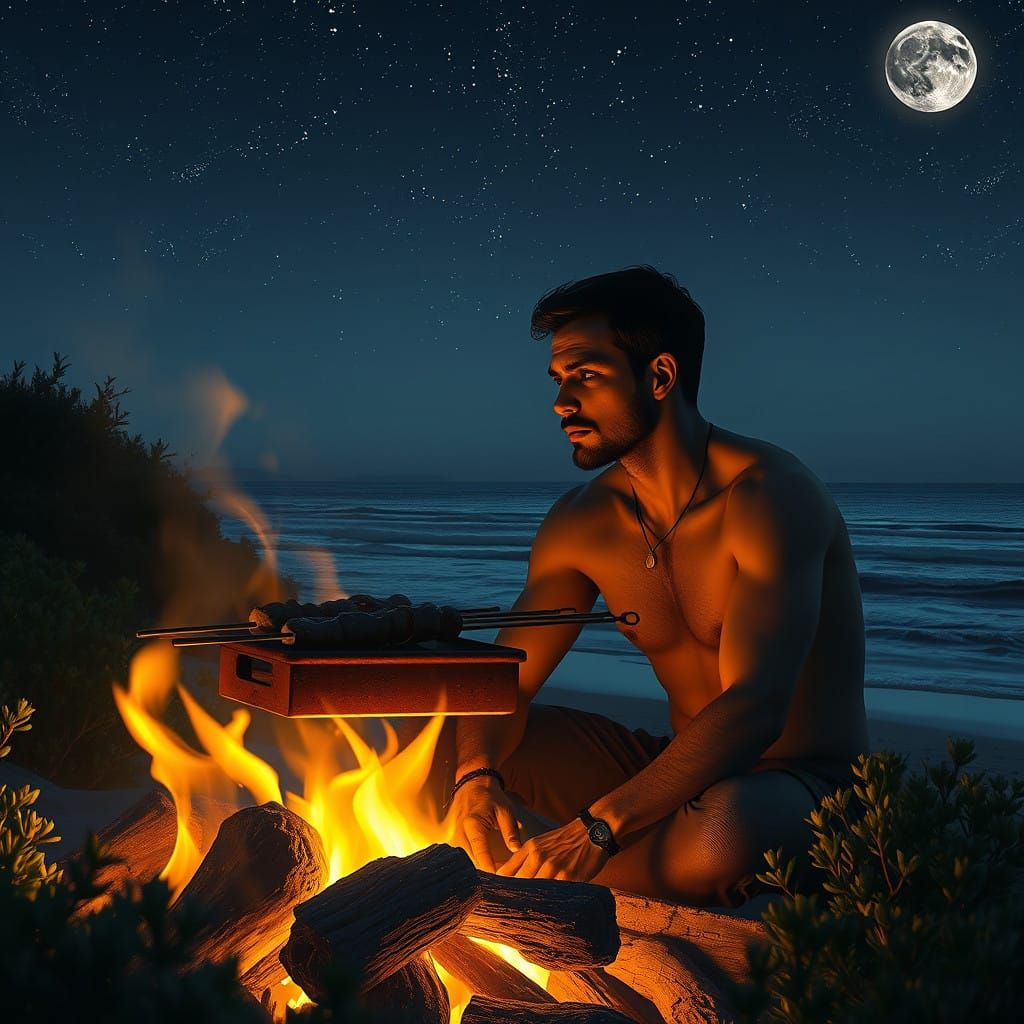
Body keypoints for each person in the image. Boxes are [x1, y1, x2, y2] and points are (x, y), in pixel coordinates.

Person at [443, 265, 868, 907]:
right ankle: (593, 864)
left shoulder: (770, 498)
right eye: (559, 381)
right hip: (670, 772)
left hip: (801, 783)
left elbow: (756, 704)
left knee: (726, 829)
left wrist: (598, 828)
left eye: (585, 376)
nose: (562, 403)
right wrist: (476, 779)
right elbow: (507, 677)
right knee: (462, 754)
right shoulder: (582, 522)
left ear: (660, 376)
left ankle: (547, 876)